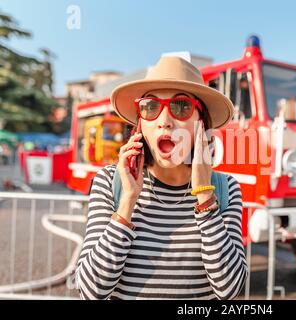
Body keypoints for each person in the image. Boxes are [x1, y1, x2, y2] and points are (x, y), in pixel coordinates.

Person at [75, 56, 248, 300]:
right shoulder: (109, 182)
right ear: (140, 125)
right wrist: (127, 202)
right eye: (150, 107)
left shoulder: (225, 188)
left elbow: (229, 289)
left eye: (181, 106)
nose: (164, 122)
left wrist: (205, 196)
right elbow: (91, 291)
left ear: (202, 123)